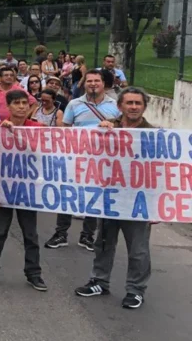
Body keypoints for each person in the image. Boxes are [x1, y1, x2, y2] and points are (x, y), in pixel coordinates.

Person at [74, 87, 154, 309]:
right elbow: (87, 154)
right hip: (109, 199)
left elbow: (162, 174)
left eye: (138, 103)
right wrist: (101, 131)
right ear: (120, 106)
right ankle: (99, 281)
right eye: (129, 103)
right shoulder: (108, 128)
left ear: (144, 107)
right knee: (103, 243)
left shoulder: (155, 135)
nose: (134, 107)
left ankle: (135, 290)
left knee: (138, 250)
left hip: (138, 203)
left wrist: (157, 207)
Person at [0, 90, 47, 291]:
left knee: (30, 234)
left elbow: (42, 152)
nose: (21, 107)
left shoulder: (37, 128)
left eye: (25, 103)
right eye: (17, 103)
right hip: (5, 188)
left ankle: (34, 274)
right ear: (8, 106)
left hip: (28, 189)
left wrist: (15, 133)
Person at [44, 69, 121, 252]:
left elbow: (122, 130)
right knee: (68, 194)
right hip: (76, 157)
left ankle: (87, 236)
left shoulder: (115, 105)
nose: (93, 84)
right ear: (84, 84)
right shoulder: (74, 104)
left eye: (96, 81)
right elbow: (66, 130)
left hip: (102, 159)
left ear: (104, 84)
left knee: (93, 196)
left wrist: (113, 125)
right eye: (89, 81)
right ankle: (61, 233)